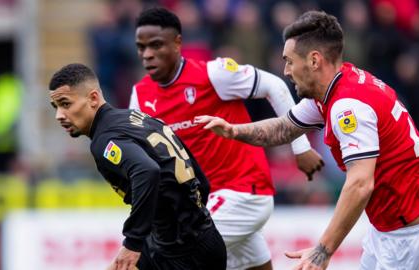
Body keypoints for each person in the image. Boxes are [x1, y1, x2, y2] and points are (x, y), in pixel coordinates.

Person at [195, 10, 419, 270]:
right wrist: (234, 131)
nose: (285, 70)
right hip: (390, 231)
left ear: (314, 60)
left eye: (289, 61)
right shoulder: (338, 87)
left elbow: (360, 184)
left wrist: (323, 249)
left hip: (412, 238)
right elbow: (284, 128)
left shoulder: (347, 107)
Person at [128, 7, 325, 270]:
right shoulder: (139, 97)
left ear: (177, 43)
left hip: (243, 191)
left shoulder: (213, 74)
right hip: (207, 203)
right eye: (141, 47)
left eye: (155, 45)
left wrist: (300, 147)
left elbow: (274, 86)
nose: (147, 54)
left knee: (177, 254)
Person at [48, 63, 226, 270]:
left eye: (65, 104)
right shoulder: (137, 118)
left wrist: (133, 242)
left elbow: (147, 171)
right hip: (195, 238)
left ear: (93, 98)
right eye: (56, 107)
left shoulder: (105, 140)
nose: (59, 115)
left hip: (181, 254)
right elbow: (200, 181)